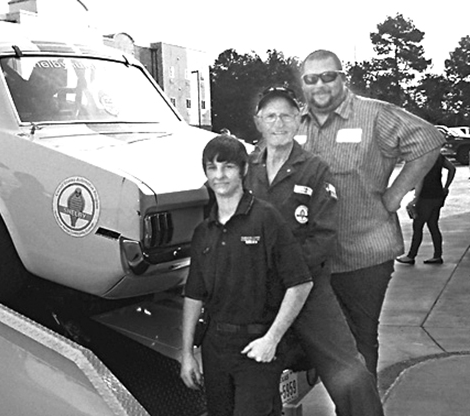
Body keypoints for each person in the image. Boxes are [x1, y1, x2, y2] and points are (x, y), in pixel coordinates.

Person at [298, 49, 445, 379]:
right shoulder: (296, 122)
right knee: (315, 343)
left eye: (328, 76)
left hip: (363, 256)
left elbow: (429, 140)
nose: (320, 84)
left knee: (359, 342)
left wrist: (394, 195)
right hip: (313, 259)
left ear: (342, 77)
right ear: (303, 84)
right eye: (311, 78)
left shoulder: (374, 115)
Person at [246, 87, 384, 415]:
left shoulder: (314, 169)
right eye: (270, 116)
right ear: (258, 122)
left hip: (306, 288)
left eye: (286, 115)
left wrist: (286, 274)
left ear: (298, 120)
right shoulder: (245, 168)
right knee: (241, 372)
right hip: (256, 291)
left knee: (349, 372)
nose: (278, 123)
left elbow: (323, 237)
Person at [180, 135, 313, 416]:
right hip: (214, 347)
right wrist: (187, 354)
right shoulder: (203, 231)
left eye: (227, 167)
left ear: (242, 170)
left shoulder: (267, 219)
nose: (219, 175)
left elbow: (300, 283)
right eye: (212, 168)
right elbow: (193, 295)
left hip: (257, 347)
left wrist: (272, 339)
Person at [396, 153, 455, 265]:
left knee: (418, 226)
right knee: (433, 225)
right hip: (438, 195)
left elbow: (420, 181)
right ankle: (437, 255)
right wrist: (446, 187)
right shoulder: (438, 156)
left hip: (425, 197)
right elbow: (452, 168)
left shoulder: (421, 157)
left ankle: (411, 256)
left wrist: (414, 199)